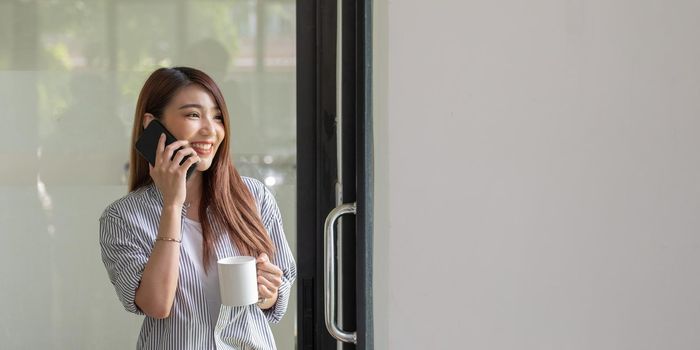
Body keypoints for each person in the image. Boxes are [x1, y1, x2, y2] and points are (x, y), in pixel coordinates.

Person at [99, 67, 296, 349]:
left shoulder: (255, 197)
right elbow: (156, 305)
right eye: (193, 115)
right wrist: (172, 205)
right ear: (152, 124)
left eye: (217, 117)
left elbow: (279, 294)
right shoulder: (124, 217)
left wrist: (268, 292)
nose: (210, 130)